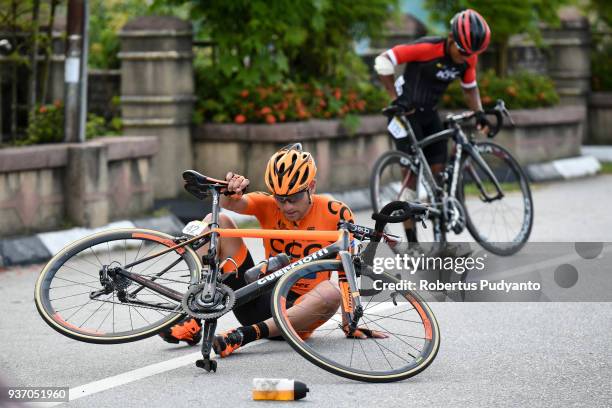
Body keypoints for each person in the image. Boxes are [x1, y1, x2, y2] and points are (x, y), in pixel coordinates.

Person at [159, 144, 387, 355]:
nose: (286, 206)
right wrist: (232, 189)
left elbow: (345, 271)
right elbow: (232, 204)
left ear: (312, 187)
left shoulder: (335, 211)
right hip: (258, 297)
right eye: (281, 198)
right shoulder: (268, 204)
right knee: (216, 222)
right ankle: (192, 317)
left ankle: (243, 336)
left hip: (299, 312)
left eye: (294, 198)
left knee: (331, 292)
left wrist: (350, 324)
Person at [374, 8, 492, 242]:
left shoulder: (469, 57)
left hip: (430, 114)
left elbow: (470, 89)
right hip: (404, 114)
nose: (466, 57)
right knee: (411, 177)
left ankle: (440, 232)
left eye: (472, 53)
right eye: (462, 50)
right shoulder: (428, 48)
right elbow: (383, 60)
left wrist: (480, 113)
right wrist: (395, 99)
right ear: (451, 38)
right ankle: (412, 240)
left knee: (439, 178)